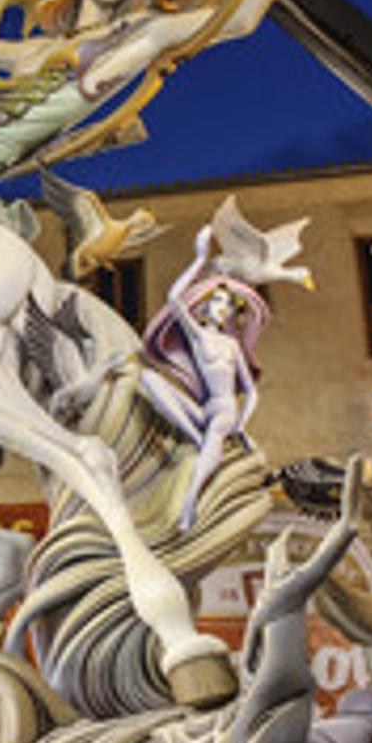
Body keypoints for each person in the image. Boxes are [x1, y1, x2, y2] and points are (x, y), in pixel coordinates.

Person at [137, 225, 269, 530]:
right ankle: (198, 440)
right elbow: (173, 298)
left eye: (226, 306)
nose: (221, 309)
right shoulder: (197, 337)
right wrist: (198, 258)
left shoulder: (231, 345)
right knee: (148, 380)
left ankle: (188, 506)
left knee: (213, 441)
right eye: (217, 302)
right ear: (207, 306)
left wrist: (242, 425)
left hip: (224, 409)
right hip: (202, 410)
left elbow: (250, 391)